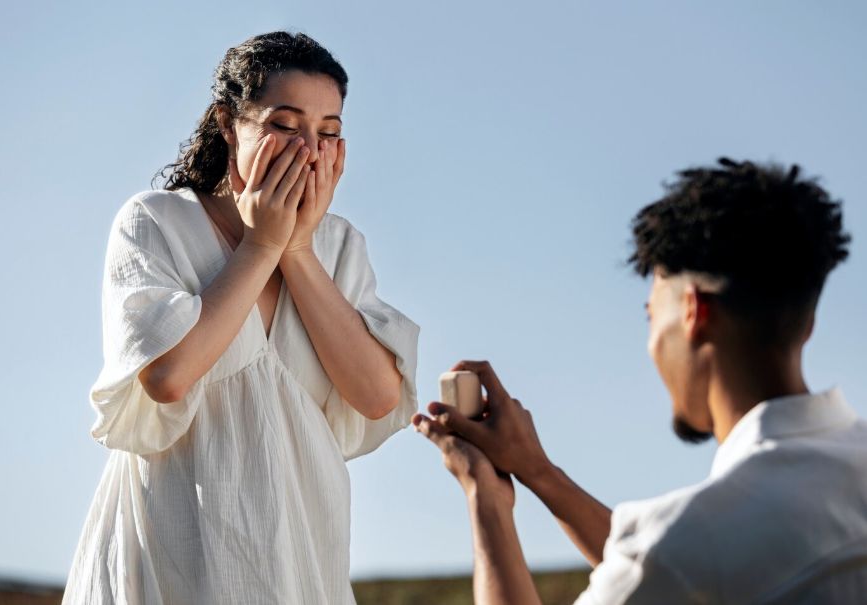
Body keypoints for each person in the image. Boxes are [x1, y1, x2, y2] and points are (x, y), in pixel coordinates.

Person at [64, 32, 419, 605]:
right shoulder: (156, 222)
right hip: (173, 556)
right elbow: (167, 377)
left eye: (328, 132)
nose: (309, 149)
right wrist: (261, 246)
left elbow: (378, 396)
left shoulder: (339, 247)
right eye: (284, 124)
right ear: (228, 125)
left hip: (302, 559)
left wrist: (297, 250)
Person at [415, 158, 862, 604]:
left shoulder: (686, 547)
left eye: (652, 316)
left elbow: (669, 563)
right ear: (805, 323)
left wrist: (485, 494)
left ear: (693, 313)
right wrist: (539, 472)